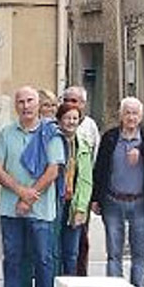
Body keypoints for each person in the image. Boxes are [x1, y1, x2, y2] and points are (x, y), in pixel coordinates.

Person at [0, 86, 64, 287]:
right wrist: (21, 192)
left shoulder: (51, 134)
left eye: (30, 100)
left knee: (43, 258)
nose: (26, 106)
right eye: (21, 101)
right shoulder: (5, 133)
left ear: (38, 104)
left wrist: (29, 198)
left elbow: (53, 170)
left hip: (41, 210)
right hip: (10, 209)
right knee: (12, 257)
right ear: (16, 106)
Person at [91, 96, 144, 287]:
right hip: (113, 201)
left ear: (141, 116)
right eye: (127, 112)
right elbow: (100, 169)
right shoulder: (110, 137)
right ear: (121, 115)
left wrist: (142, 151)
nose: (131, 117)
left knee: (139, 254)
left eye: (135, 113)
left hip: (140, 202)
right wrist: (96, 198)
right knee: (114, 252)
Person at [62, 86, 101, 277]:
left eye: (74, 101)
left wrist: (91, 198)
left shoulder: (90, 126)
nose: (70, 104)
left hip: (80, 194)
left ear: (83, 104)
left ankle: (79, 279)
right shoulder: (56, 126)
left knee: (79, 242)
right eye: (66, 100)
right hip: (58, 195)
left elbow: (94, 161)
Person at [56, 102, 94, 276]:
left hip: (74, 203)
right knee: (52, 251)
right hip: (55, 203)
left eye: (75, 118)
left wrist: (81, 208)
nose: (71, 122)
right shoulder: (52, 142)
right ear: (59, 120)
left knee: (71, 253)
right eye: (67, 118)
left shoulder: (84, 145)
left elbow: (86, 180)